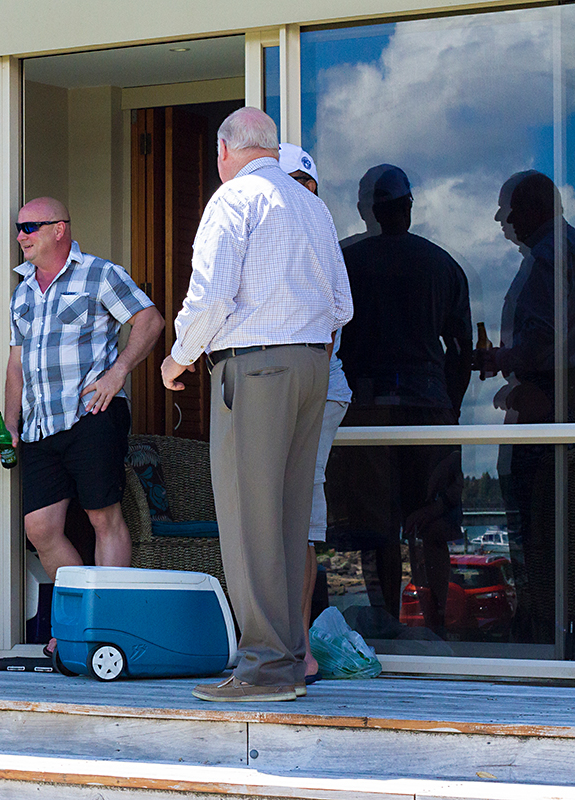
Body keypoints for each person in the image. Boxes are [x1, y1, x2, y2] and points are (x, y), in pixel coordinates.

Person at [162, 108, 352, 702]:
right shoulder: (310, 205)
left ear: (224, 150)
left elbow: (212, 294)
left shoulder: (234, 200)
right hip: (311, 366)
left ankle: (264, 669)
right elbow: (342, 304)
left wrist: (178, 357)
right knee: (290, 520)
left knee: (249, 520)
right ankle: (288, 659)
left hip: (257, 366)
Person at [0, 197, 164, 655]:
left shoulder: (100, 274)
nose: (21, 235)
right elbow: (15, 365)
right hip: (40, 426)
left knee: (104, 519)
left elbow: (149, 319)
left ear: (59, 229)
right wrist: (7, 424)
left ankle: (105, 627)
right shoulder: (22, 291)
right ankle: (83, 618)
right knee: (40, 529)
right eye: (18, 228)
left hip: (91, 415)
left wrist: (119, 370)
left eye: (29, 227)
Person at [332, 165, 471, 636]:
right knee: (431, 523)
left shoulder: (345, 260)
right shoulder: (442, 264)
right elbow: (462, 351)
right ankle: (437, 630)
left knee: (378, 529)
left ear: (364, 210)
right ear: (407, 208)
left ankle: (386, 627)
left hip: (366, 409)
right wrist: (448, 406)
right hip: (428, 405)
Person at [480, 170, 575, 643]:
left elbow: (544, 346)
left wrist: (502, 360)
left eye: (508, 207)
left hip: (547, 425)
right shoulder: (564, 251)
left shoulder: (547, 259)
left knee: (540, 537)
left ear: (534, 209)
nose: (502, 218)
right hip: (556, 416)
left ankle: (542, 633)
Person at [278, 143, 351, 682]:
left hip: (314, 388)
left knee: (297, 517)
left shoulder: (316, 244)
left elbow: (325, 337)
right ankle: (278, 645)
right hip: (283, 390)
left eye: (308, 189)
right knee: (274, 516)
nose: (301, 199)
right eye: (291, 188)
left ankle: (297, 649)